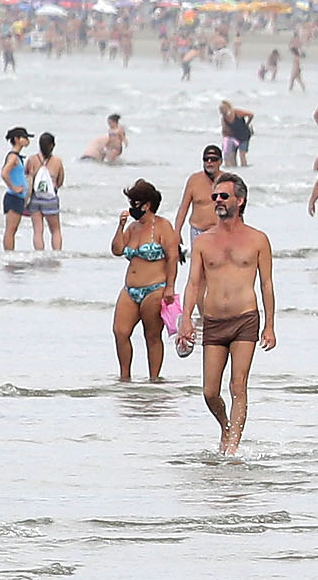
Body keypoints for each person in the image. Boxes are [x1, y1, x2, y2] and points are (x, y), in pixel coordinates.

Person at [176, 170, 274, 451]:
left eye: (223, 196)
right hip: (214, 320)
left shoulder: (258, 239)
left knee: (237, 386)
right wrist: (186, 320)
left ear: (240, 200)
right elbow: (193, 283)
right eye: (214, 196)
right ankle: (225, 426)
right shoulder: (204, 241)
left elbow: (266, 284)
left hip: (245, 318)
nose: (217, 200)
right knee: (209, 391)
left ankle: (232, 447)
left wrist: (269, 325)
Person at [110, 180, 178, 381]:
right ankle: (125, 378)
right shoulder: (132, 228)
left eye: (135, 202)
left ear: (147, 205)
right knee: (120, 332)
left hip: (155, 288)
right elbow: (117, 250)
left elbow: (173, 257)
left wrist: (170, 287)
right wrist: (120, 226)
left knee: (151, 335)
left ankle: (154, 379)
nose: (132, 206)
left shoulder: (163, 227)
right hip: (130, 290)